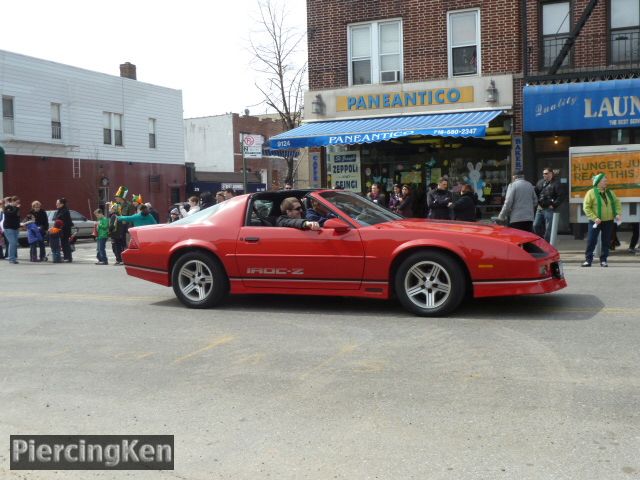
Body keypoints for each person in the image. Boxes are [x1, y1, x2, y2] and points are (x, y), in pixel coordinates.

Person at [582, 173, 622, 267]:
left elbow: (617, 203)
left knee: (606, 241)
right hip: (595, 221)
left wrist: (617, 213)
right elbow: (586, 207)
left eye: (606, 180)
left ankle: (603, 260)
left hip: (609, 221)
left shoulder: (610, 192)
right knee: (591, 240)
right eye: (604, 181)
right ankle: (588, 260)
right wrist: (594, 217)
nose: (606, 182)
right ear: (598, 182)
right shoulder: (591, 192)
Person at [533, 167, 564, 242]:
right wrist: (536, 202)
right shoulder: (540, 182)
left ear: (551, 174)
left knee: (549, 228)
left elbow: (561, 196)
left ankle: (547, 243)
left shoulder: (556, 184)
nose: (544, 175)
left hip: (549, 208)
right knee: (535, 225)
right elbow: (535, 192)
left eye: (546, 173)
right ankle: (540, 241)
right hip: (540, 208)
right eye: (543, 173)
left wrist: (554, 205)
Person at [53, 198, 73, 262]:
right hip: (61, 230)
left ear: (62, 204)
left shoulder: (64, 211)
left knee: (65, 244)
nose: (56, 204)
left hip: (65, 230)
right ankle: (66, 257)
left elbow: (64, 221)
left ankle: (68, 258)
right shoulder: (60, 210)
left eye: (58, 203)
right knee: (63, 244)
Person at [3, 196, 21, 264]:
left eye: (18, 202)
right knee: (12, 243)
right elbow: (11, 214)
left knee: (14, 243)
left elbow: (17, 217)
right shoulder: (8, 207)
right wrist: (17, 208)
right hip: (8, 228)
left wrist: (19, 226)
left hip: (16, 228)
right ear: (13, 201)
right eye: (17, 202)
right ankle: (11, 259)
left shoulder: (17, 208)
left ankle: (13, 258)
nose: (18, 204)